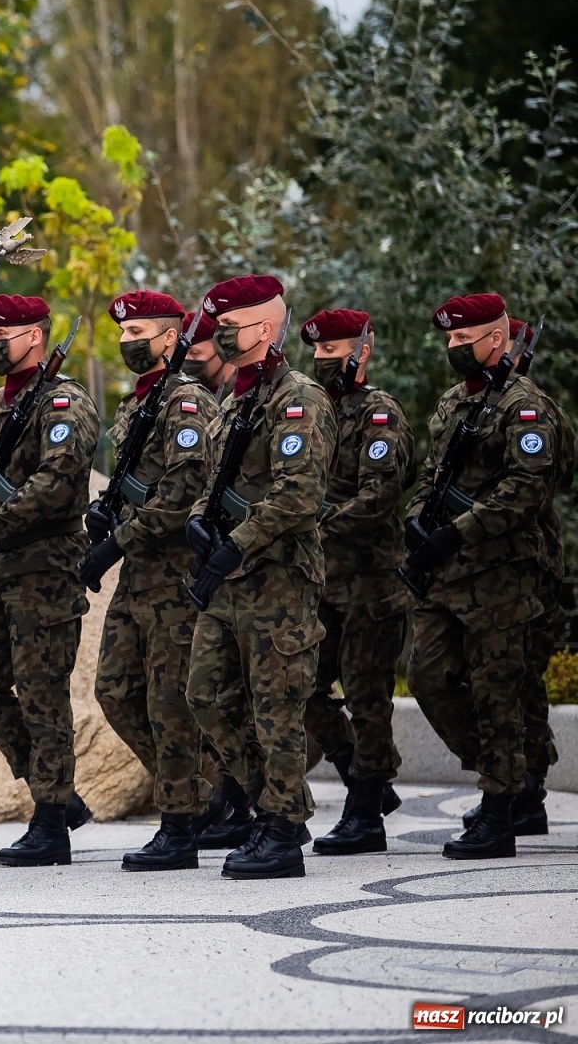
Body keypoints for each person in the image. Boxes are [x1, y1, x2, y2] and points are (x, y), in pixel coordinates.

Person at [0, 294, 99, 867]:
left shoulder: (64, 402)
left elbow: (55, 486)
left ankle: (50, 822)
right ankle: (55, 789)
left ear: (36, 336)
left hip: (45, 569)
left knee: (41, 694)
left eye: (6, 333)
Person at [183, 274, 335, 880]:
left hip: (278, 580)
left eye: (230, 324)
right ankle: (270, 804)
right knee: (206, 695)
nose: (218, 333)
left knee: (277, 706)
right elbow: (210, 485)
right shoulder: (236, 400)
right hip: (228, 581)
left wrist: (235, 544)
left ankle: (281, 831)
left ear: (265, 329)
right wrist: (199, 522)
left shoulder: (300, 399)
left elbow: (298, 495)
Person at [403, 294, 558, 859]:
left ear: (497, 339)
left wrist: (456, 532)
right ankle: (511, 780)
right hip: (448, 573)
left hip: (501, 574)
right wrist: (419, 521)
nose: (454, 349)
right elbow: (433, 473)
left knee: (499, 694)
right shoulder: (452, 404)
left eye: (465, 340)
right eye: (449, 340)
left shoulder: (524, 406)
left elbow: (527, 488)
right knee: (428, 677)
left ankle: (500, 811)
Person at [79, 291, 222, 871]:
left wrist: (115, 542)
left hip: (172, 573)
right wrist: (106, 516)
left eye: (140, 330)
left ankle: (182, 824)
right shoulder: (136, 403)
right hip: (138, 572)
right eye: (123, 332)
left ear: (171, 338)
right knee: (115, 690)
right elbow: (139, 484)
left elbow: (182, 494)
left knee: (169, 702)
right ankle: (213, 790)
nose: (127, 340)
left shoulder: (186, 403)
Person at [298, 309, 413, 855]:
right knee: (303, 689)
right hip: (321, 583)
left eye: (334, 350)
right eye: (318, 352)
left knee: (368, 698)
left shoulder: (380, 416)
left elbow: (378, 497)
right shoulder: (312, 413)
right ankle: (360, 774)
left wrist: (316, 520)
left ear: (361, 351)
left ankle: (365, 813)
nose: (324, 360)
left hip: (369, 584)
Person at [178, 309, 233, 395]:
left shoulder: (247, 393)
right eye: (182, 352)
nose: (185, 359)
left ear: (223, 351)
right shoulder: (175, 391)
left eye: (195, 353)